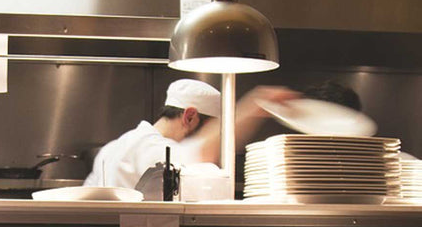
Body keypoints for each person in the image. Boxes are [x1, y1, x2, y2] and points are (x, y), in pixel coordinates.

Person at [84, 79, 299, 190]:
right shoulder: (151, 148)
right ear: (189, 116)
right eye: (213, 130)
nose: (216, 138)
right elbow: (201, 152)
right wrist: (256, 104)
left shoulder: (112, 148)